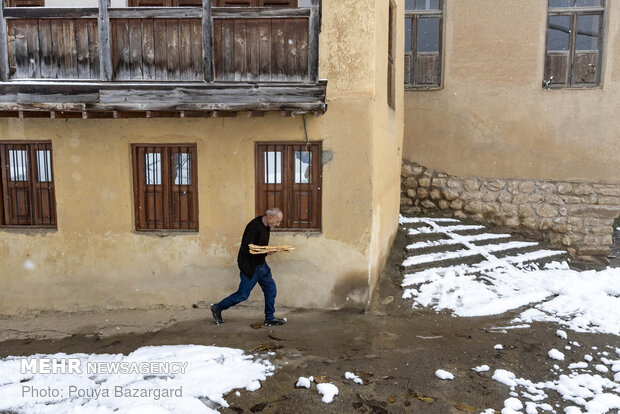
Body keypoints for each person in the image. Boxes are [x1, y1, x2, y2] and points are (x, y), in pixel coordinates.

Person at [211, 208, 287, 326]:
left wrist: (267, 251)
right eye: (277, 221)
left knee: (271, 290)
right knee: (242, 295)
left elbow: (261, 246)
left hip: (262, 265)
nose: (278, 225)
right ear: (270, 218)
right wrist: (265, 251)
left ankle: (269, 318)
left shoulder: (267, 226)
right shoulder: (254, 226)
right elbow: (247, 248)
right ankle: (217, 307)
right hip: (251, 267)